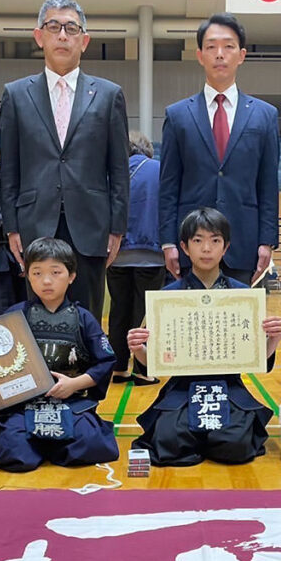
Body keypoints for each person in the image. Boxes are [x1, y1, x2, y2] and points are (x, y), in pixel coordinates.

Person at [0, 0, 129, 321]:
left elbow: (119, 169)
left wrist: (117, 228)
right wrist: (12, 227)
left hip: (91, 224)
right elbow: (9, 168)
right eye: (53, 27)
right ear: (39, 36)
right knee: (39, 318)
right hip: (35, 222)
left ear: (84, 41)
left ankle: (88, 374)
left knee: (87, 316)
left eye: (71, 29)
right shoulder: (16, 94)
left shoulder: (108, 94)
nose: (62, 35)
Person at [127, 208, 281, 467]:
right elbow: (153, 363)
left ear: (226, 247)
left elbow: (256, 360)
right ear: (185, 247)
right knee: (171, 444)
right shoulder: (168, 296)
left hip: (229, 388)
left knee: (235, 446)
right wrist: (139, 349)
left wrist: (274, 339)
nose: (206, 249)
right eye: (198, 240)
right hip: (181, 389)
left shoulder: (242, 295)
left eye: (215, 241)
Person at [0, 237, 119, 473]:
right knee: (14, 451)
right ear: (27, 275)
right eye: (37, 273)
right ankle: (42, 444)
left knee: (88, 444)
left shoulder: (84, 318)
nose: (46, 281)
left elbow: (105, 363)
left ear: (72, 275)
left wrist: (74, 384)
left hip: (70, 403)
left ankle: (46, 444)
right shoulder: (14, 316)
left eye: (56, 272)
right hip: (24, 407)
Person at [158, 12, 279, 286]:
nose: (220, 54)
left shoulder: (264, 115)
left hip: (243, 242)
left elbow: (268, 185)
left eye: (228, 46)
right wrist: (168, 242)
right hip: (190, 244)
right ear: (200, 55)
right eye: (211, 47)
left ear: (242, 54)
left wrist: (267, 241)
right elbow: (168, 186)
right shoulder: (178, 115)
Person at [107, 131, 165, 386]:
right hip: (151, 254)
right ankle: (143, 368)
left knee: (119, 310)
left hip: (115, 254)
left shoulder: (109, 171)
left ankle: (118, 367)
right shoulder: (158, 169)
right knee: (146, 314)